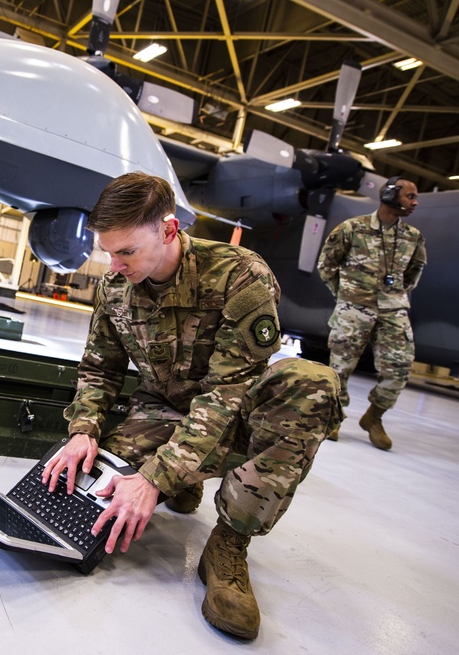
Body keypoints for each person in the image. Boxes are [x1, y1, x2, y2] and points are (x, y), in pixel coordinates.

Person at [41, 172, 342, 640]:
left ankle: (228, 543)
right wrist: (84, 430)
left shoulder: (240, 274)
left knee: (312, 384)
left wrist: (155, 477)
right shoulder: (115, 288)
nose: (115, 265)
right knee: (99, 499)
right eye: (108, 252)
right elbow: (101, 369)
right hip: (162, 412)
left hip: (235, 417)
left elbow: (227, 395)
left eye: (127, 252)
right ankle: (184, 482)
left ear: (168, 230)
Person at [316, 176, 426, 450]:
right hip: (354, 308)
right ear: (389, 195)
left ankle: (374, 417)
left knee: (399, 367)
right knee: (340, 368)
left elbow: (413, 273)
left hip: (394, 309)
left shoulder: (413, 237)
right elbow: (327, 265)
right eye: (409, 196)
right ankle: (334, 416)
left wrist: (395, 295)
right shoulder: (352, 229)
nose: (414, 202)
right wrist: (346, 295)